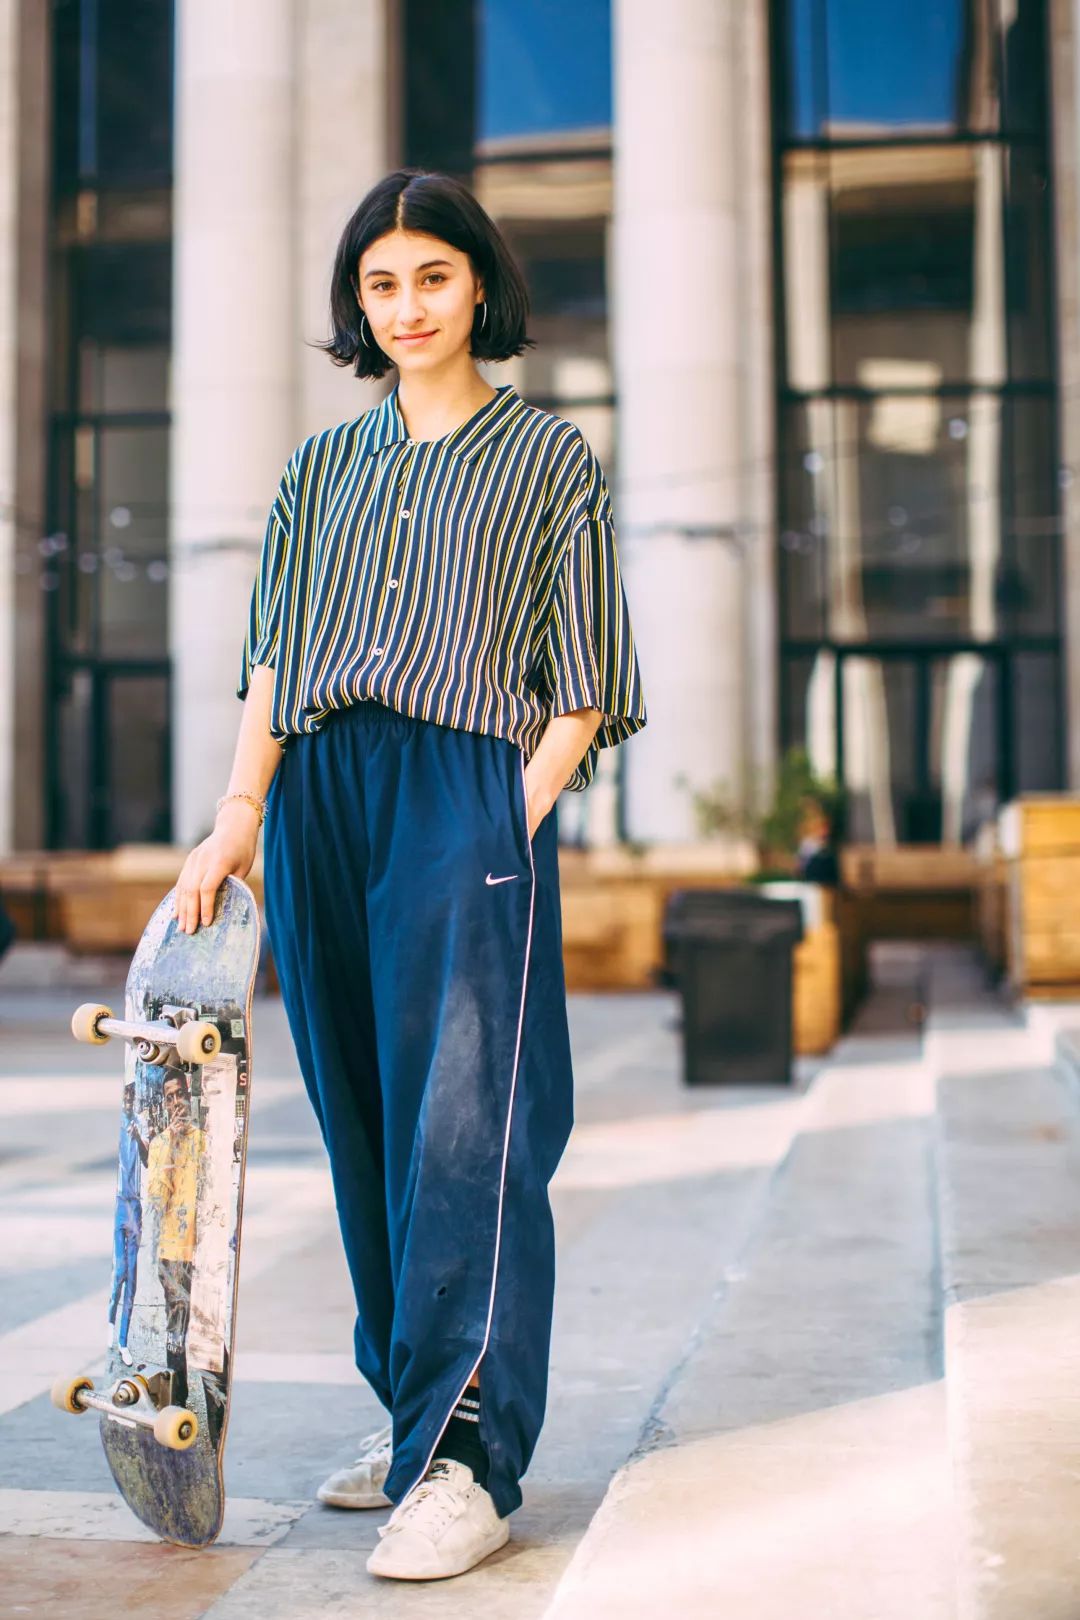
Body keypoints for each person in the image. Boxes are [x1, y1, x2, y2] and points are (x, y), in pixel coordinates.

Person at [171, 167, 648, 1581]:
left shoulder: (548, 458)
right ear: (357, 306)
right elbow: (272, 663)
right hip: (322, 795)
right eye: (381, 284)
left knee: (470, 1131)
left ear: (480, 286)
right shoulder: (315, 473)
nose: (409, 305)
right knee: (368, 1123)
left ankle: (468, 1461)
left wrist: (506, 816)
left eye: (432, 276)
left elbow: (591, 677)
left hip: (462, 787)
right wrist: (235, 817)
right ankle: (409, 1424)